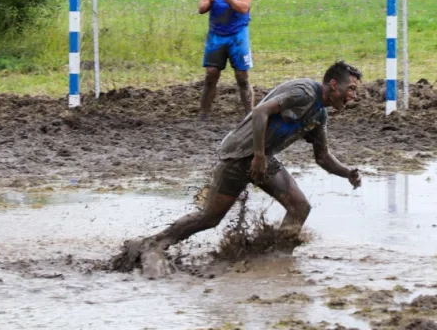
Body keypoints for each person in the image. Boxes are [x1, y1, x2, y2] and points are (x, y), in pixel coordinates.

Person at [117, 60, 364, 278]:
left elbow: (322, 157)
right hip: (239, 155)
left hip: (262, 158)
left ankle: (277, 258)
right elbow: (259, 112)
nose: (353, 96)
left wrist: (347, 172)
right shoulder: (304, 93)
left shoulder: (319, 115)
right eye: (351, 89)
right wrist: (258, 155)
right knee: (210, 217)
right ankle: (153, 244)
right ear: (333, 84)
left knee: (300, 207)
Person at [197, 0, 255, 121]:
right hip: (216, 34)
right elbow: (201, 9)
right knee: (211, 74)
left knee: (242, 76)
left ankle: (250, 116)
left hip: (237, 34)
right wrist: (211, 0)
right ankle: (203, 115)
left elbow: (244, 8)